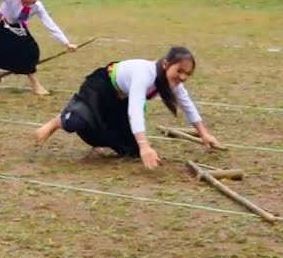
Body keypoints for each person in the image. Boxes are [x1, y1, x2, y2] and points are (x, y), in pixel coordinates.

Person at [33, 46, 221, 169]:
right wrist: (145, 146)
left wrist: (204, 134)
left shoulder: (173, 83)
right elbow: (135, 110)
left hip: (121, 100)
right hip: (102, 87)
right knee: (75, 122)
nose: (183, 77)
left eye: (187, 74)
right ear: (166, 64)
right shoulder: (144, 73)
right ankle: (57, 121)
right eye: (179, 71)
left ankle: (96, 135)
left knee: (130, 150)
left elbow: (188, 105)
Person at [0, 0, 77, 96]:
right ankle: (31, 83)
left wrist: (66, 43)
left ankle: (20, 75)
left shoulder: (37, 6)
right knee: (0, 48)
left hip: (18, 25)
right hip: (2, 23)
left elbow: (50, 24)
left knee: (31, 49)